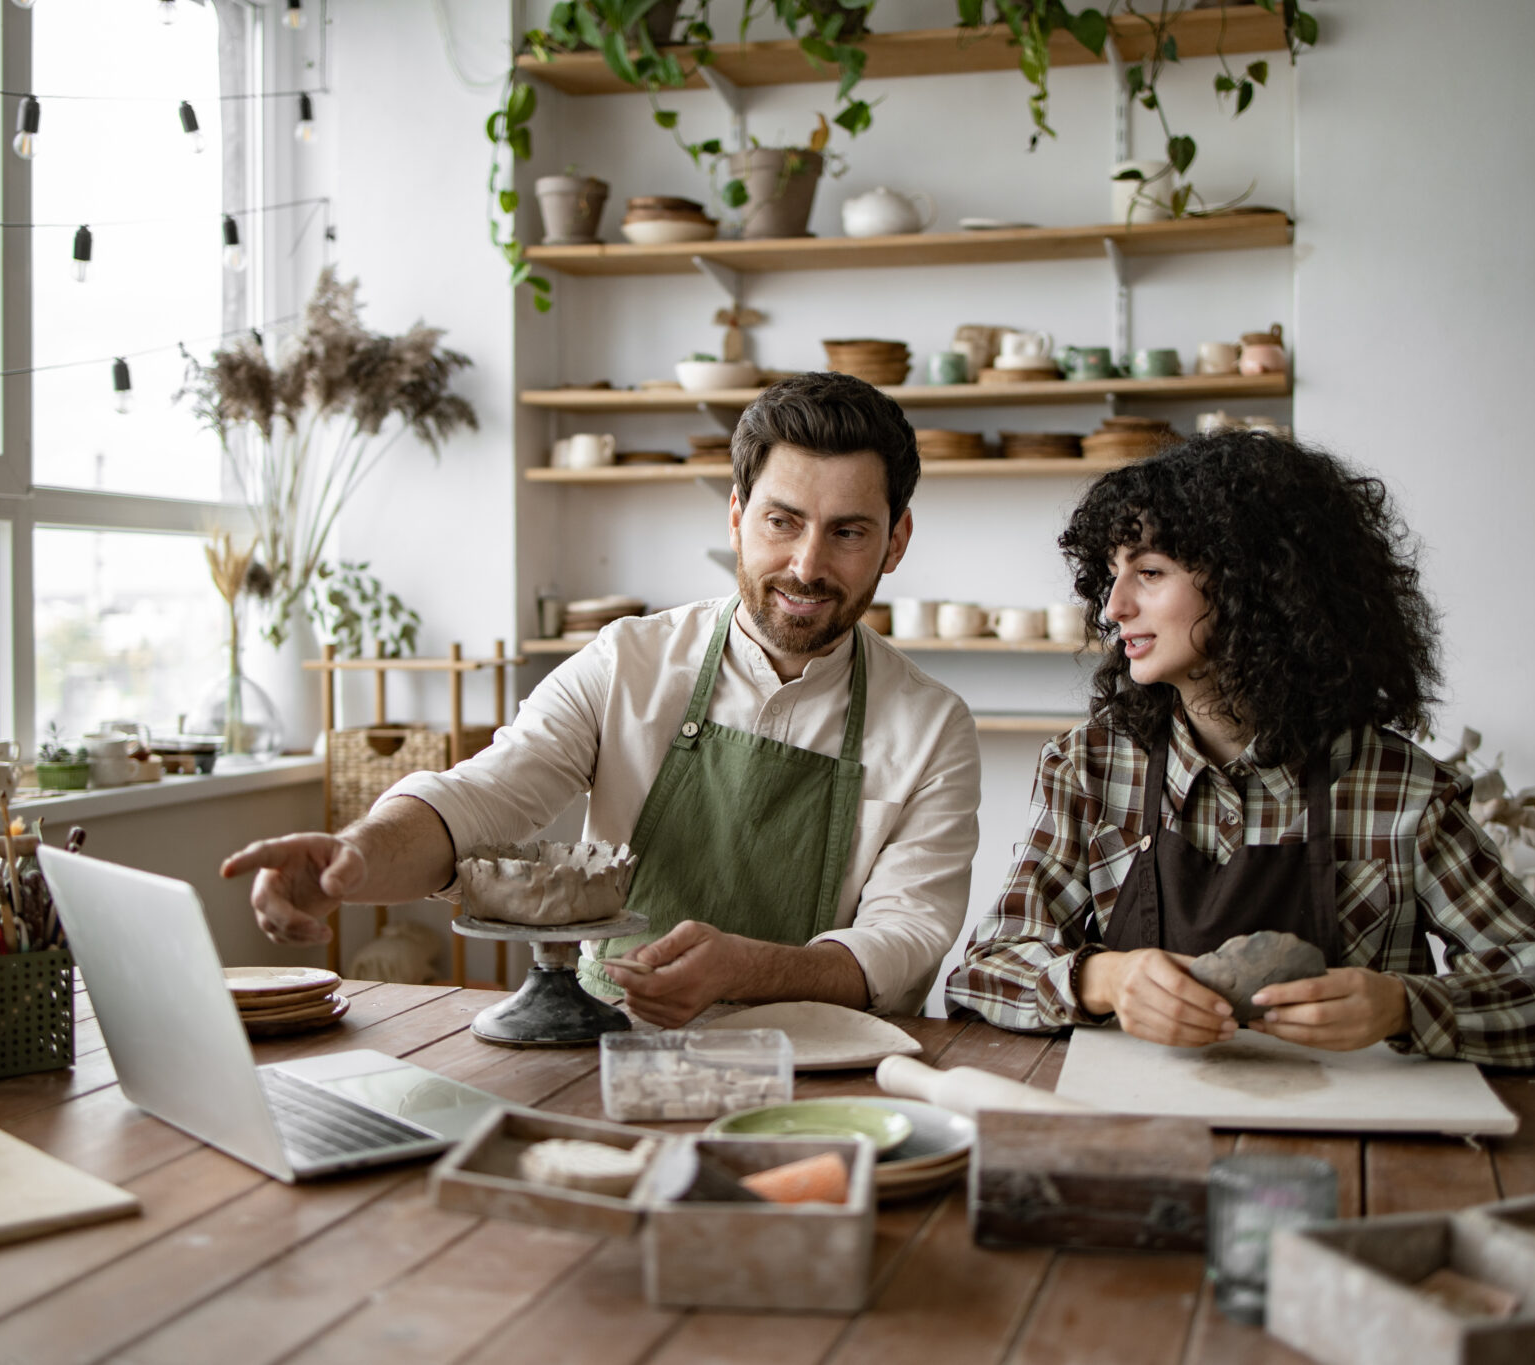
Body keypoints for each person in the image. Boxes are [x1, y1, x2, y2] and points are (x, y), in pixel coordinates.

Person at [224, 372, 981, 1028]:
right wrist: (355, 855)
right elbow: (485, 799)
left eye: (848, 531)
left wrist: (751, 971)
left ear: (895, 540)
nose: (806, 564)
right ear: (736, 517)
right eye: (782, 521)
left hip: (822, 1071)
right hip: (607, 1038)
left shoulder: (930, 726)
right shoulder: (630, 661)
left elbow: (903, 935)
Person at [944, 429, 1535, 1071]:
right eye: (1111, 575)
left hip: (1350, 1150)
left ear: (1255, 587)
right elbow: (979, 974)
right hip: (1139, 1132)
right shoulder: (1091, 768)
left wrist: (1407, 1005)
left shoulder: (1398, 789)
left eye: (1149, 571)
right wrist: (1102, 977)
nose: (1114, 604)